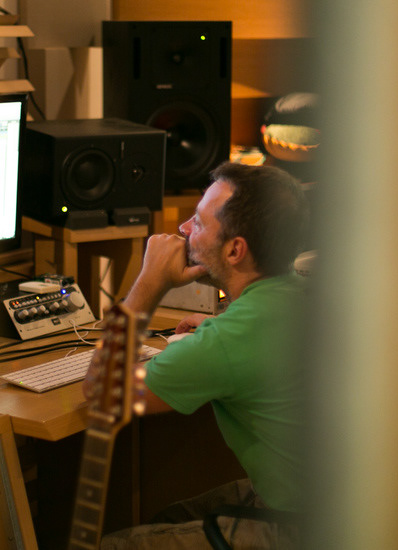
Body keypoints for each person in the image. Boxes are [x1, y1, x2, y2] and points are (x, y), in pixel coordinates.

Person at [83, 161, 311, 549]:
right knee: (170, 518)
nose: (184, 228)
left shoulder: (226, 341)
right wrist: (221, 327)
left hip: (298, 530)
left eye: (199, 222)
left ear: (235, 250)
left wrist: (149, 282)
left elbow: (101, 391)